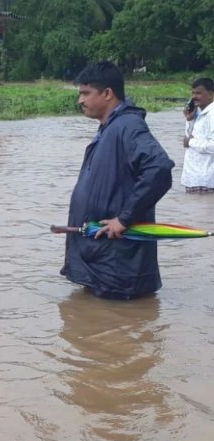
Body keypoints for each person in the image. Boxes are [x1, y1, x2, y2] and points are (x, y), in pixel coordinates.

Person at [61, 61, 175, 300]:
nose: (80, 100)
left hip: (117, 260)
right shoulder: (109, 127)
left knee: (117, 331)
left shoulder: (128, 125)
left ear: (107, 94)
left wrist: (124, 218)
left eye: (85, 93)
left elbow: (159, 169)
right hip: (100, 254)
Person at [181, 78, 214, 193]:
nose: (194, 96)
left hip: (207, 181)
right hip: (193, 179)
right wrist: (189, 120)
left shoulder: (212, 114)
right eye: (193, 93)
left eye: (198, 93)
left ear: (210, 94)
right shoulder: (196, 113)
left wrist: (190, 142)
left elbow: (212, 146)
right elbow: (188, 139)